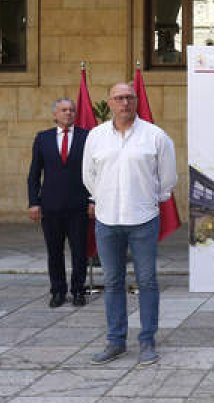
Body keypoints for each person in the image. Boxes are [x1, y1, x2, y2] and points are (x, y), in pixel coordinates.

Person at [83, 82, 178, 366]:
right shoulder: (96, 137)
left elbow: (168, 176)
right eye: (118, 98)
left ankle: (147, 341)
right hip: (107, 220)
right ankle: (116, 341)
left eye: (129, 97)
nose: (124, 103)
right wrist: (101, 198)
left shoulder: (155, 136)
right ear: (109, 103)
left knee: (147, 281)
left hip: (143, 219)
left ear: (135, 101)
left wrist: (152, 199)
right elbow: (89, 174)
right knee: (112, 282)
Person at [27, 97, 93, 308]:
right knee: (54, 251)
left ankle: (78, 290)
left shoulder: (87, 137)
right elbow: (34, 173)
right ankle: (57, 291)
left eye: (72, 110)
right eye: (64, 110)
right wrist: (33, 202)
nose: (68, 113)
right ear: (54, 114)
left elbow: (95, 172)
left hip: (79, 205)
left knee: (79, 251)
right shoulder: (43, 138)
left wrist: (93, 200)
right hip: (51, 206)